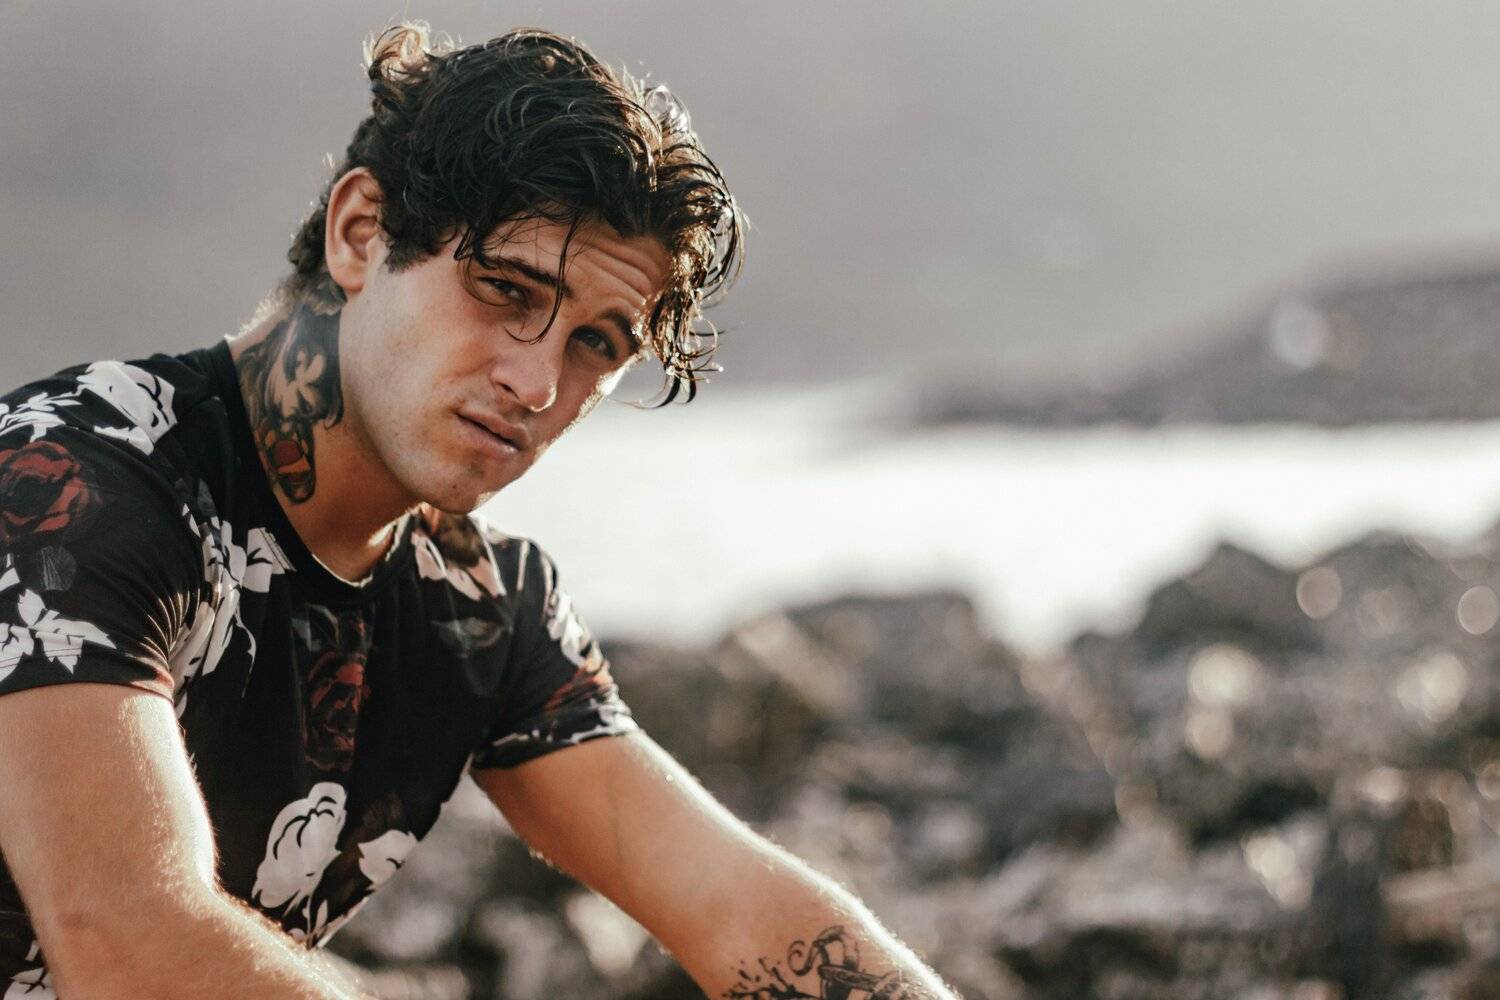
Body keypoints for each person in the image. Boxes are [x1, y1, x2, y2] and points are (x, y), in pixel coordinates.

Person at [0, 22, 958, 1000]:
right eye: (505, 289)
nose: (538, 383)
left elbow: (739, 907)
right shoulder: (73, 477)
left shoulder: (480, 606)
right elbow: (129, 943)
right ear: (361, 234)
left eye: (595, 343)